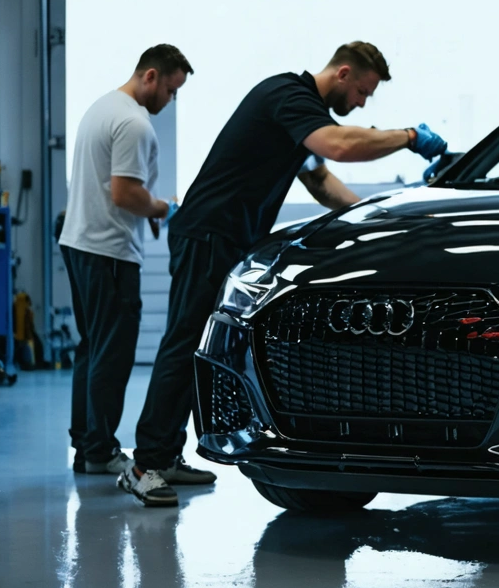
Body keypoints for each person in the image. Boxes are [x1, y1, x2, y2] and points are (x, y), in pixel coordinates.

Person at [119, 41, 448, 506]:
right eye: (362, 92)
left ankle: (166, 454)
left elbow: (321, 182)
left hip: (228, 237)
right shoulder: (288, 96)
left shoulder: (303, 116)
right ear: (343, 73)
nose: (361, 103)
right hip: (209, 233)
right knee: (184, 343)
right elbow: (338, 145)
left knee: (201, 348)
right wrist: (409, 137)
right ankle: (143, 466)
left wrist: (377, 216)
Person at [60, 44, 194, 475]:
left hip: (81, 243)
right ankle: (100, 451)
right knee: (113, 355)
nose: (170, 100)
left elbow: (112, 188)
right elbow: (124, 194)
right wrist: (163, 209)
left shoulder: (102, 108)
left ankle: (88, 447)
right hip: (110, 252)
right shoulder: (135, 123)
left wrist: (147, 206)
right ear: (150, 76)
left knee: (92, 349)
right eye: (170, 90)